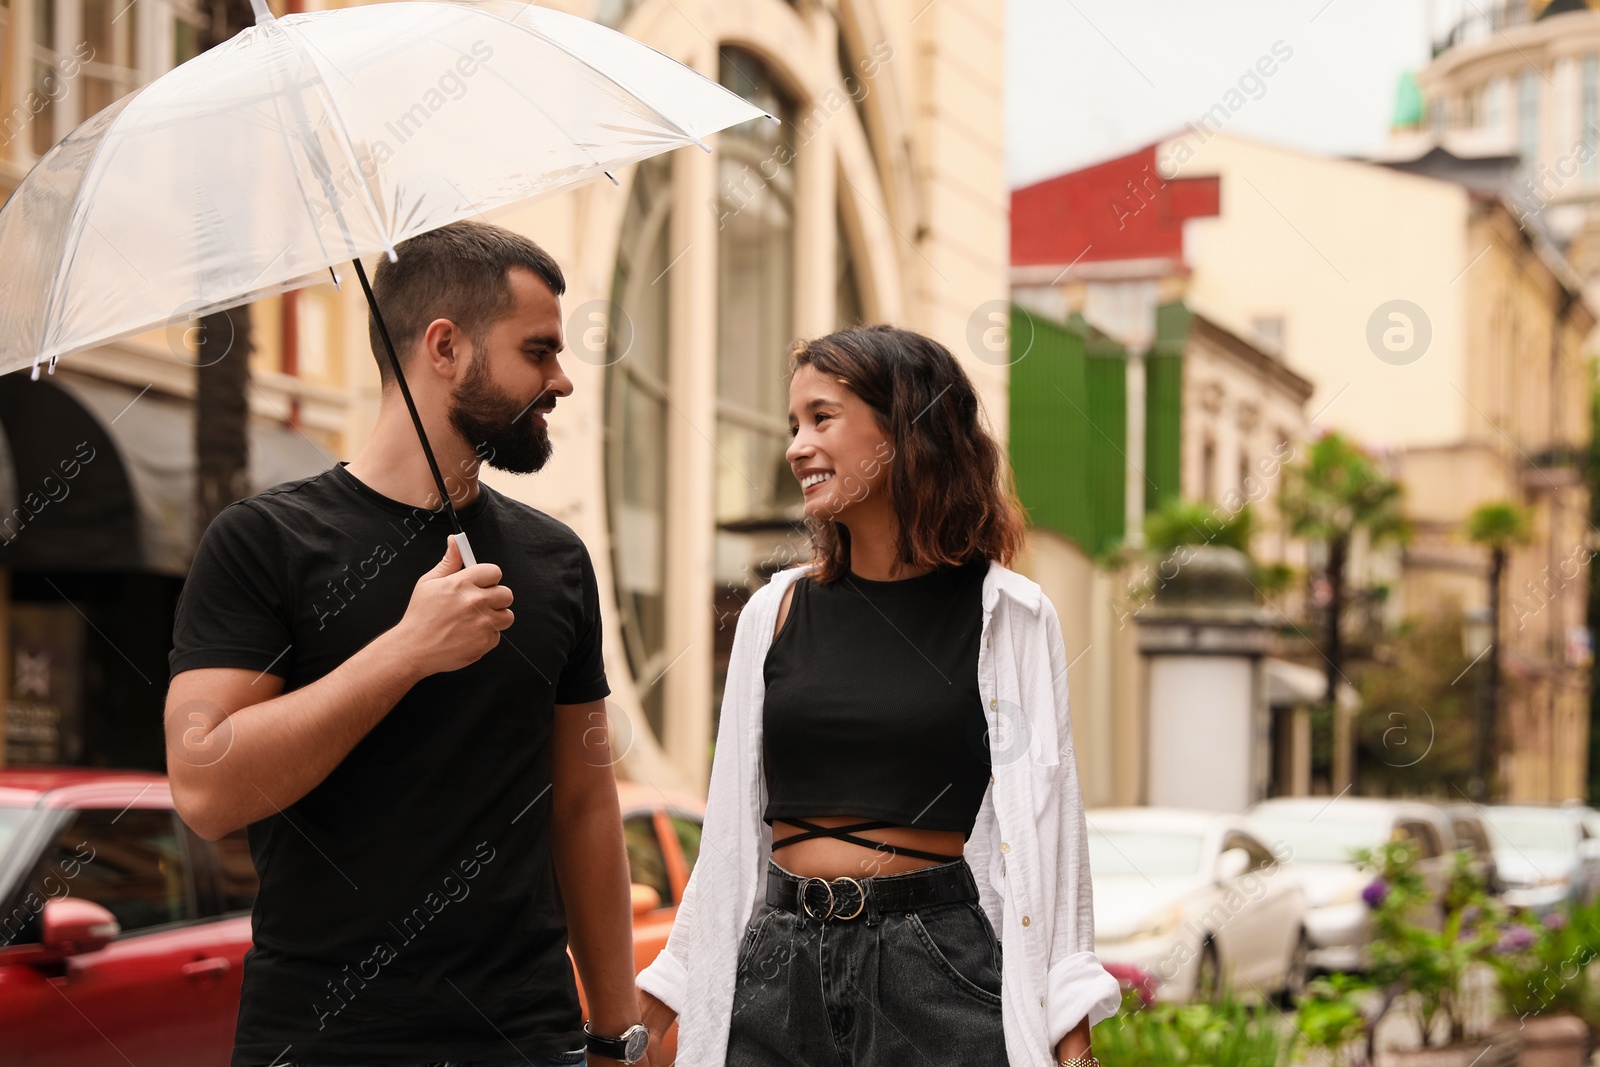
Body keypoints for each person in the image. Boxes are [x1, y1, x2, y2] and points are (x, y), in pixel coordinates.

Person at [164, 221, 651, 1067]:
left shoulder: (554, 558)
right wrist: (406, 650)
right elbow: (206, 786)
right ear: (445, 347)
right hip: (325, 1040)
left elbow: (582, 804)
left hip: (526, 1039)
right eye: (538, 350)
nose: (563, 379)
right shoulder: (263, 542)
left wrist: (618, 1031)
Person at [633, 324, 1122, 1067]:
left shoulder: (1010, 617)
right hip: (776, 966)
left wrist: (1071, 1034)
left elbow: (1051, 831)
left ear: (905, 428)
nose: (797, 445)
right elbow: (730, 840)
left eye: (821, 418)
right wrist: (653, 1002)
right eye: (794, 424)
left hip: (935, 969)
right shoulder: (774, 612)